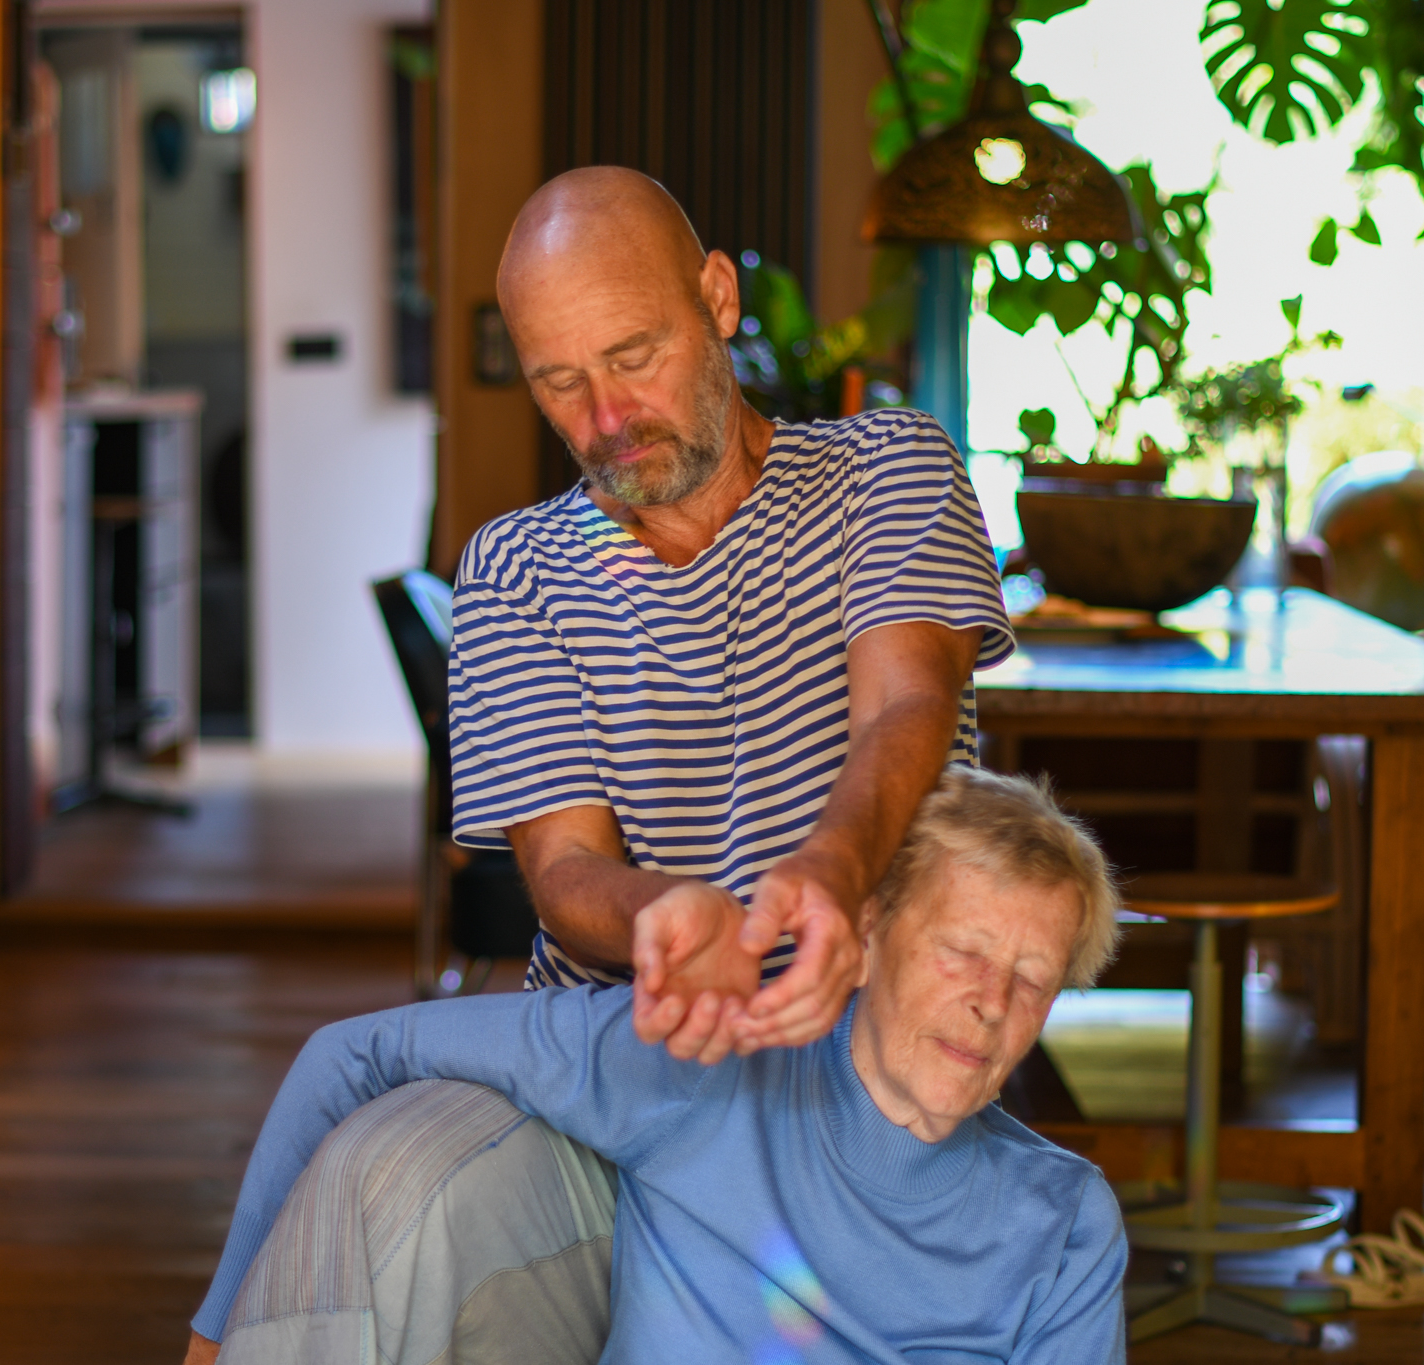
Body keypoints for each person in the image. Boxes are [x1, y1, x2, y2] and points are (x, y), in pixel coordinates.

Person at [186, 165, 1012, 1362]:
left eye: (632, 355)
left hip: (853, 1080)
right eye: (558, 382)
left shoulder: (886, 470)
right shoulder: (514, 567)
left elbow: (906, 706)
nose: (606, 419)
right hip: (614, 1071)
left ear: (716, 299)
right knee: (370, 1174)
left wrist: (830, 872)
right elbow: (566, 874)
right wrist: (665, 915)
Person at [197, 767, 1125, 1363]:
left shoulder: (1064, 1222)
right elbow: (355, 1051)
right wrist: (214, 1338)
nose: (990, 1002)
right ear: (869, 929)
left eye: (1032, 977)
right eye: (962, 951)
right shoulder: (708, 1063)